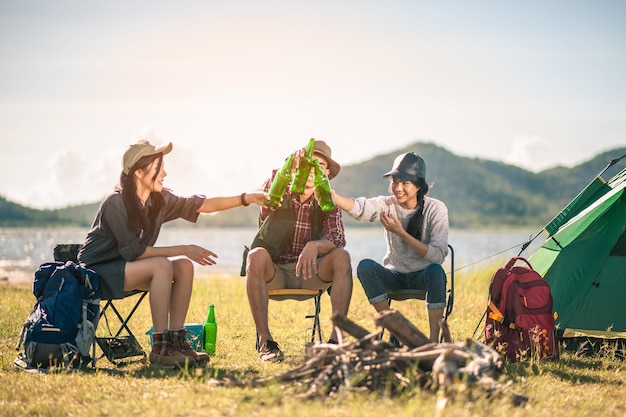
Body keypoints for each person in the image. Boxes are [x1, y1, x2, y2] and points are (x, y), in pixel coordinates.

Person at [78, 139, 267, 367]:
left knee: (184, 265)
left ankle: (177, 341)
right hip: (95, 276)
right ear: (138, 172)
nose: (164, 173)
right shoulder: (115, 202)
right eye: (158, 167)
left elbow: (204, 205)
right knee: (162, 264)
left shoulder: (157, 201)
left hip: (128, 269)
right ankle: (160, 348)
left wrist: (247, 198)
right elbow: (133, 252)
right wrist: (185, 248)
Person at [244, 140, 353, 362]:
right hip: (276, 273)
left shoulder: (328, 200)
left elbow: (338, 238)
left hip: (310, 274)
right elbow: (266, 195)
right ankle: (266, 343)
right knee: (255, 255)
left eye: (320, 165)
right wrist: (288, 169)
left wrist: (315, 245)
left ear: (328, 173)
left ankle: (336, 341)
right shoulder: (280, 188)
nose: (313, 170)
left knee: (342, 256)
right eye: (308, 164)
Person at [332, 152, 449, 342]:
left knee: (436, 271)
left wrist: (400, 232)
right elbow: (362, 208)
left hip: (424, 276)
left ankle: (433, 341)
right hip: (394, 274)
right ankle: (397, 329)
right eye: (395, 181)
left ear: (419, 186)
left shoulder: (436, 209)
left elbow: (437, 256)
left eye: (405, 183)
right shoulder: (387, 204)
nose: (398, 188)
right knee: (366, 266)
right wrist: (336, 199)